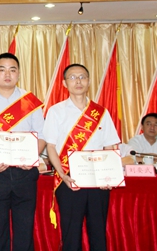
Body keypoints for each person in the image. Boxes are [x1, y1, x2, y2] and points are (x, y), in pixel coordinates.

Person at [0, 52, 45, 251]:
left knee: (25, 230)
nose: (7, 74)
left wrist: (31, 158)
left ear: (18, 74)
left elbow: (42, 136)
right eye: (2, 69)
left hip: (25, 173)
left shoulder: (30, 101)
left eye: (12, 70)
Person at [44, 63, 120, 251]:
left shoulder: (101, 112)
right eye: (72, 77)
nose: (78, 81)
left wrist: (109, 177)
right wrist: (62, 175)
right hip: (69, 180)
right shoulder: (56, 111)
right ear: (64, 83)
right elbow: (50, 147)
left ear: (89, 81)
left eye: (82, 77)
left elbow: (109, 146)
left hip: (98, 183)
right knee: (71, 235)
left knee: (98, 233)